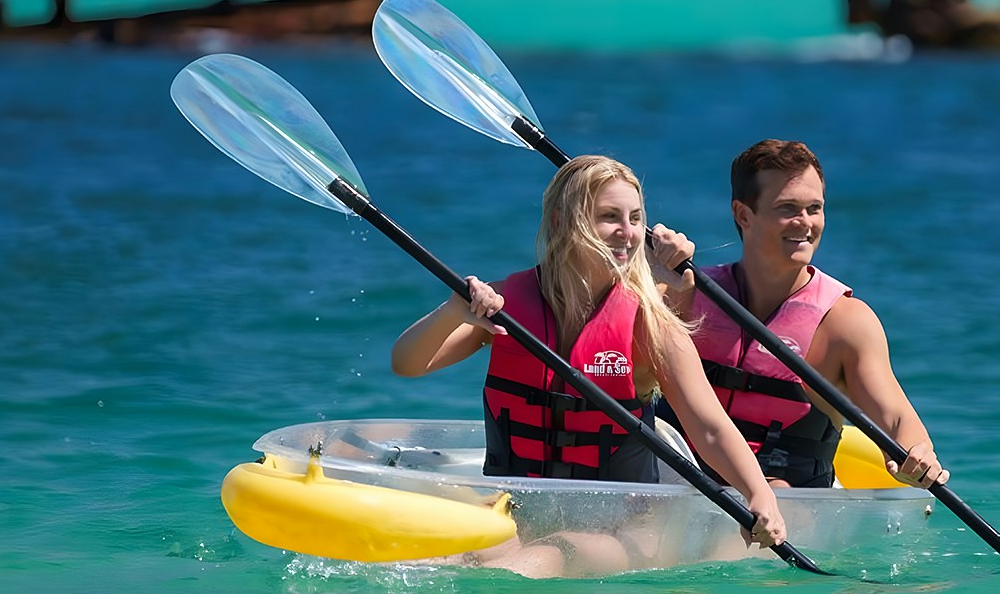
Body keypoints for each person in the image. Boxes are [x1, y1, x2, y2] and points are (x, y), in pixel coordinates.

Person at [390, 154, 787, 560]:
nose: (627, 233)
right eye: (609, 217)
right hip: (524, 513)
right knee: (457, 556)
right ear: (563, 221)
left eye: (635, 218)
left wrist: (759, 496)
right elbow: (407, 363)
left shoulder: (648, 322)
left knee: (550, 555)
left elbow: (710, 427)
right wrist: (452, 311)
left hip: (624, 531)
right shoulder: (507, 306)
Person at [650, 139, 949, 490]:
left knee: (777, 491)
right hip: (680, 478)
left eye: (815, 208)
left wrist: (920, 451)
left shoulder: (844, 323)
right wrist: (652, 275)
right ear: (744, 214)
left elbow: (896, 415)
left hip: (787, 499)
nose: (805, 223)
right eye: (788, 208)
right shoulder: (686, 294)